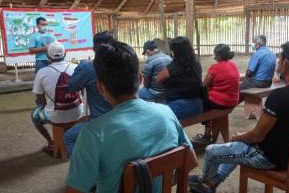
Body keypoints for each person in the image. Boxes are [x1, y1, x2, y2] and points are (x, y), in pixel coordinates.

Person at [65, 41, 196, 193]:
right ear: (140, 79)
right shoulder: (166, 112)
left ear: (100, 87)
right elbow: (191, 160)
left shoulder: (93, 133)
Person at [188, 40, 289, 193]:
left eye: (280, 58)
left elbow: (256, 136)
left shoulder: (279, 96)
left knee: (212, 151)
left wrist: (240, 136)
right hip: (287, 156)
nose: (278, 62)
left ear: (286, 63)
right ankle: (210, 183)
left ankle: (203, 183)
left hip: (269, 158)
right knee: (235, 149)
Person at [64, 31, 113, 157]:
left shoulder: (88, 68)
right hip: (123, 115)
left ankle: (82, 172)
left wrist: (81, 67)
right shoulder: (123, 64)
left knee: (69, 137)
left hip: (102, 120)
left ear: (94, 48)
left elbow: (72, 86)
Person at [31, 41, 84, 153]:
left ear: (47, 56)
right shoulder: (77, 67)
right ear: (65, 54)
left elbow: (40, 97)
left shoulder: (42, 72)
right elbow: (82, 91)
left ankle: (51, 142)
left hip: (55, 115)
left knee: (34, 116)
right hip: (78, 113)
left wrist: (47, 106)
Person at [194, 44, 240, 144]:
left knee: (201, 103)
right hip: (233, 100)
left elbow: (204, 84)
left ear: (217, 55)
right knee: (216, 112)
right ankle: (216, 138)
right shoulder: (233, 65)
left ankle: (207, 135)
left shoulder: (214, 67)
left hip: (220, 102)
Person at [157, 36, 203, 120]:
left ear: (175, 51)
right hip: (198, 105)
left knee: (156, 116)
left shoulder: (173, 66)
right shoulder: (196, 63)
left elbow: (158, 79)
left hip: (179, 107)